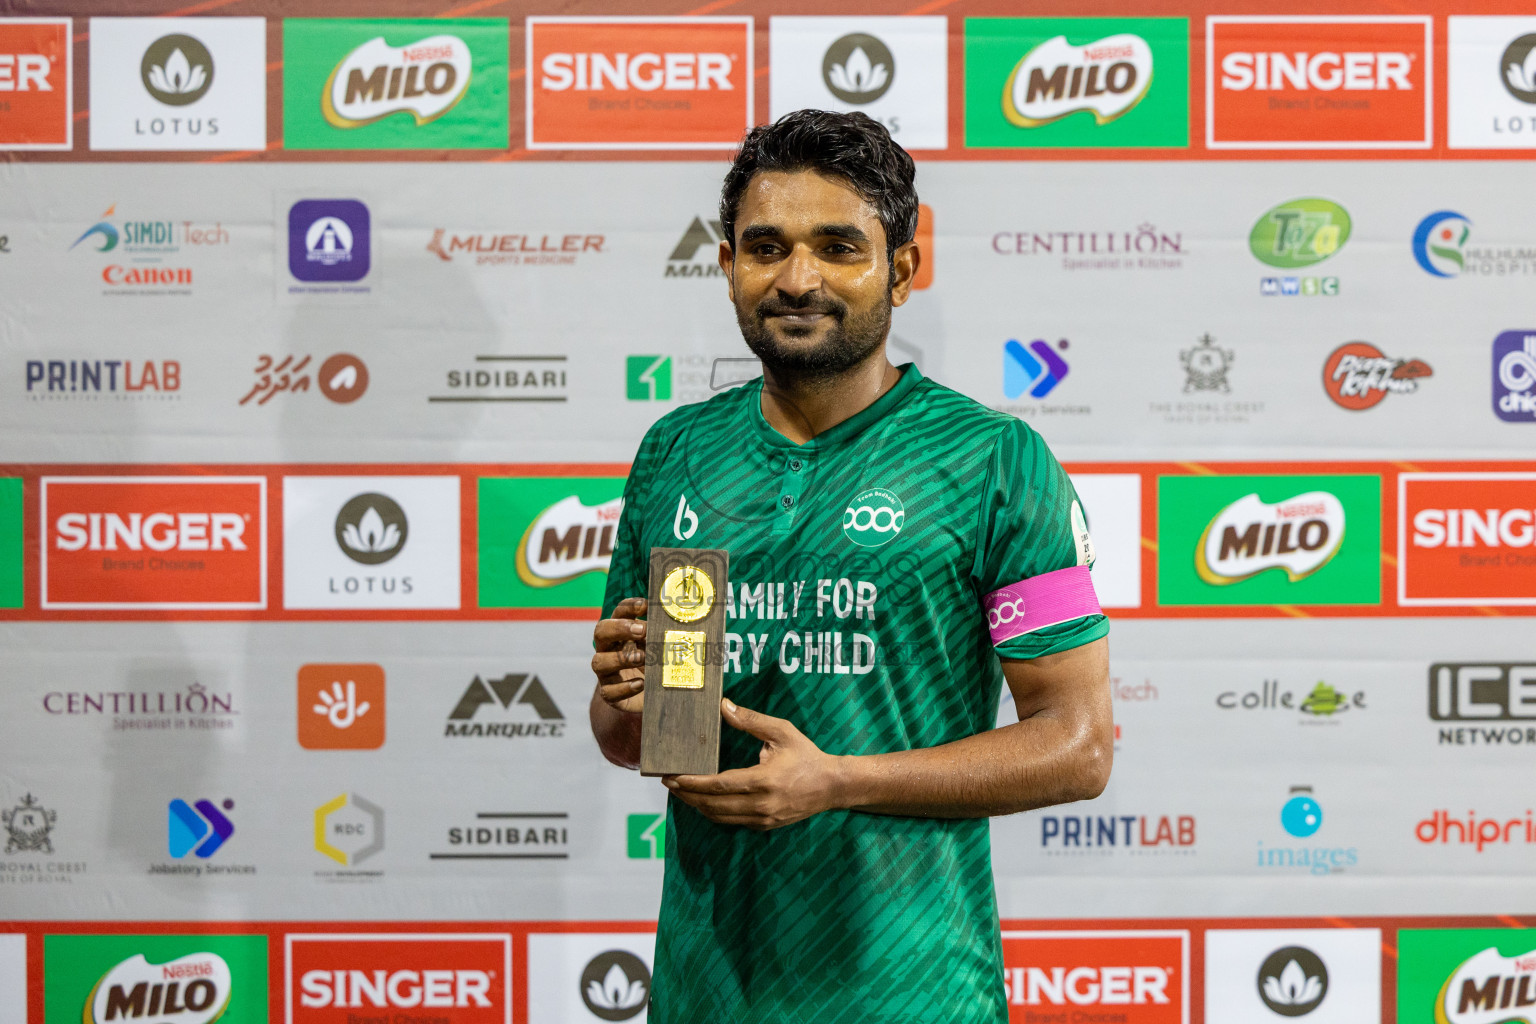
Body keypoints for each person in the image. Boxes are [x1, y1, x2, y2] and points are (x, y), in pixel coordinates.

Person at [589, 109, 1112, 1024]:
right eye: (766, 248)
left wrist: (839, 780)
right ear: (726, 267)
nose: (797, 280)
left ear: (901, 269)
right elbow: (642, 738)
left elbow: (1078, 746)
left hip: (915, 993)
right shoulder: (675, 453)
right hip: (707, 992)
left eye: (838, 247)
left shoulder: (995, 459)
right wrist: (623, 697)